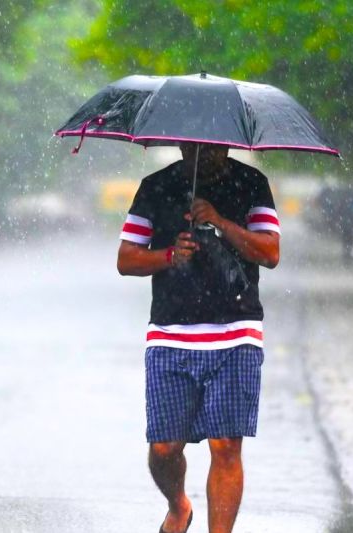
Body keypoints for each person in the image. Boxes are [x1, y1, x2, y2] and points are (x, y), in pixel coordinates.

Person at [117, 143, 280, 533]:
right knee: (164, 447)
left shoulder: (251, 183)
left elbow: (270, 252)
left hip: (236, 333)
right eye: (192, 146)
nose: (202, 153)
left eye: (210, 147)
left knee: (225, 445)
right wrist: (169, 256)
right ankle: (178, 505)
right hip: (171, 334)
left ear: (227, 144)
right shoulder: (156, 186)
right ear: (179, 143)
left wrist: (221, 222)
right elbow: (126, 258)